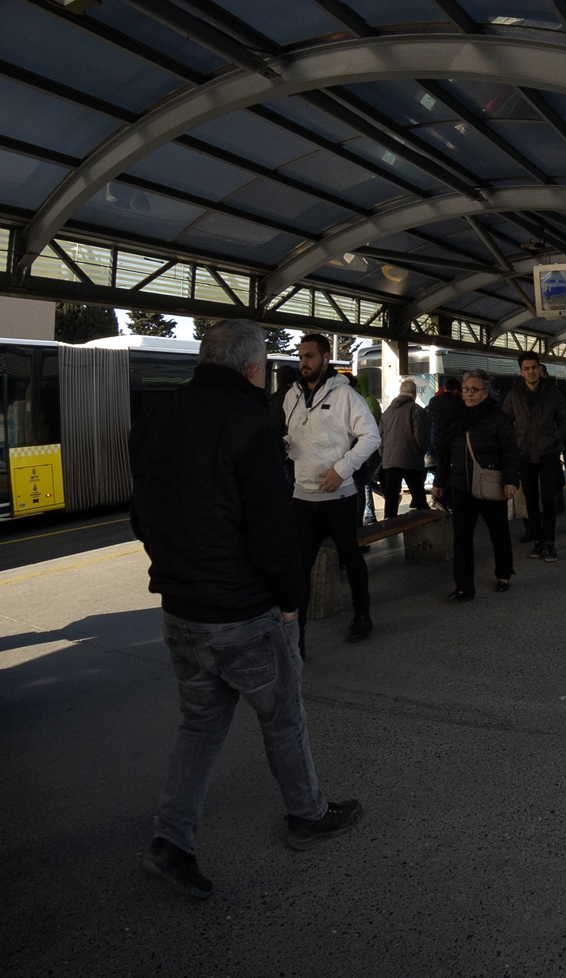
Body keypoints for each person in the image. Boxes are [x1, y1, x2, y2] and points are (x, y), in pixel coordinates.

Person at [130, 320, 362, 900]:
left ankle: (172, 839)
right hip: (244, 612)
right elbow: (271, 529)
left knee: (200, 725)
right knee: (283, 716)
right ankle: (307, 815)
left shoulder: (158, 415)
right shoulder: (251, 422)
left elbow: (142, 513)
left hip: (181, 608)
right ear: (254, 367)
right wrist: (289, 602)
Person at [284, 333, 380, 647]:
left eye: (309, 356)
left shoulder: (345, 396)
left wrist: (341, 470)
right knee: (299, 567)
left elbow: (370, 437)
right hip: (302, 497)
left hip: (339, 496)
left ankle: (362, 614)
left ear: (326, 357)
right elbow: (296, 438)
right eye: (300, 357)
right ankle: (296, 635)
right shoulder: (292, 396)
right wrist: (288, 447)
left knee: (351, 557)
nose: (303, 363)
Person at [433, 370, 520, 598]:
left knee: (498, 533)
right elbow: (445, 454)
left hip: (491, 485)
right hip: (462, 488)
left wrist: (511, 481)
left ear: (486, 392)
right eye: (466, 389)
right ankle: (464, 586)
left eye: (474, 389)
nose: (469, 394)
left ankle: (503, 574)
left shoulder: (497, 418)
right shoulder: (455, 416)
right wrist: (439, 482)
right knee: (461, 538)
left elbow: (510, 452)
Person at [500, 351, 566, 562]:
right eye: (527, 368)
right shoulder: (514, 395)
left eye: (534, 367)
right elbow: (503, 421)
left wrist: (553, 439)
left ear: (540, 369)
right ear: (521, 371)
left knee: (548, 499)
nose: (531, 372)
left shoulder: (553, 394)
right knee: (531, 500)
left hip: (548, 454)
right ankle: (537, 541)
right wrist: (514, 441)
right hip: (524, 455)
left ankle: (550, 542)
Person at [377, 378, 429, 519]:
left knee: (391, 496)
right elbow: (421, 436)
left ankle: (389, 525)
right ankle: (424, 523)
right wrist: (421, 451)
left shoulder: (387, 412)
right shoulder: (416, 410)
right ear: (414, 393)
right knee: (418, 494)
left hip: (390, 460)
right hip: (410, 458)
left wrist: (384, 455)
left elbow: (380, 436)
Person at [353, 375, 382, 525]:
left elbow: (372, 427)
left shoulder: (369, 402)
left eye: (358, 385)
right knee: (365, 481)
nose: (356, 388)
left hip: (370, 449)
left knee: (364, 481)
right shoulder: (360, 401)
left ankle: (369, 513)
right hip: (363, 449)